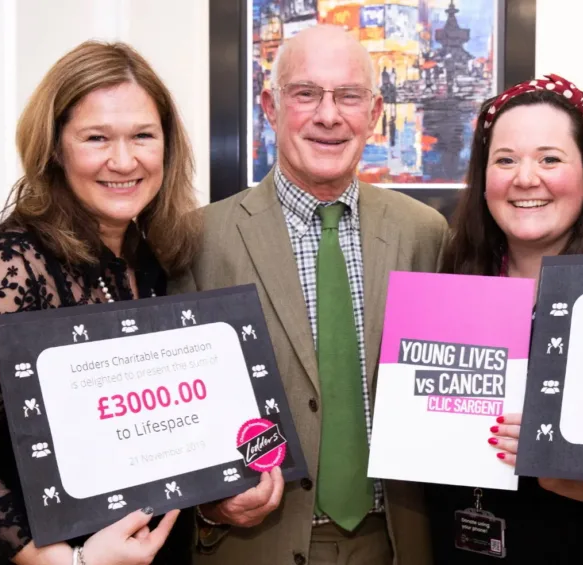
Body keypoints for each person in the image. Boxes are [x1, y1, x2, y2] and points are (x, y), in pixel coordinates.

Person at [170, 25, 447, 565]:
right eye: (306, 94)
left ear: (374, 111)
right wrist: (211, 508)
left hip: (396, 540)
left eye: (349, 96)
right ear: (271, 107)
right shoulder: (198, 241)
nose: (328, 115)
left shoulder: (426, 234)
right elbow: (179, 419)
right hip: (256, 544)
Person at [0, 41, 200, 564]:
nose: (124, 160)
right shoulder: (6, 273)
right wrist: (61, 562)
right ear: (54, 148)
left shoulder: (154, 258)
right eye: (96, 138)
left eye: (143, 136)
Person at [427, 74, 583, 564]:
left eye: (550, 158)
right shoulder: (448, 290)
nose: (525, 178)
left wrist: (553, 451)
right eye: (505, 160)